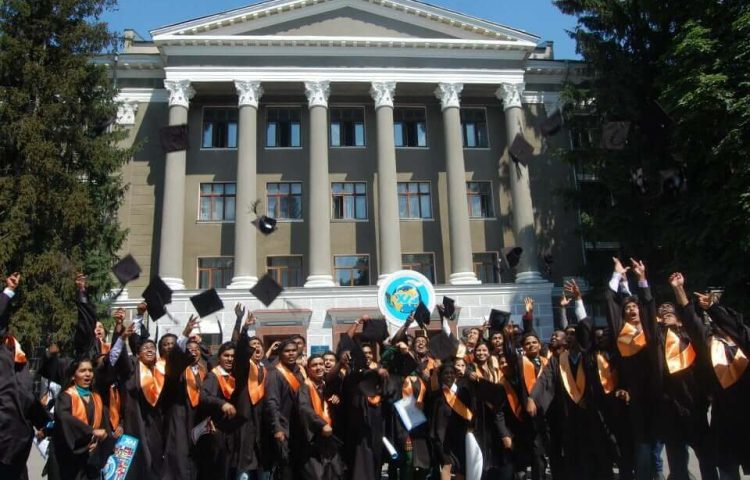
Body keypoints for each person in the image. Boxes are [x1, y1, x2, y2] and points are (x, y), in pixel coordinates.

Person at [671, 274, 750, 479]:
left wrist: (714, 308)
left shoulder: (745, 341)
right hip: (725, 416)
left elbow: (736, 326)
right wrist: (680, 290)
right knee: (727, 469)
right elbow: (692, 323)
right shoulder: (710, 345)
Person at [604, 258, 661, 480]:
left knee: (663, 439)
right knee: (644, 441)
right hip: (637, 394)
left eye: (633, 307)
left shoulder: (650, 328)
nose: (630, 310)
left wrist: (641, 278)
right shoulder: (622, 333)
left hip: (659, 389)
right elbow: (610, 301)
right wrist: (617, 276)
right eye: (627, 308)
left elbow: (648, 303)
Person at [0, 272, 51, 480]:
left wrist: (42, 423)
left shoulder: (13, 352)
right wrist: (8, 292)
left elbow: (25, 393)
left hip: (15, 432)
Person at [47, 358, 114, 480]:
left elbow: (103, 427)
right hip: (67, 456)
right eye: (82, 371)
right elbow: (64, 418)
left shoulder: (96, 398)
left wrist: (98, 441)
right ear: (73, 376)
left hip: (90, 457)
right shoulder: (66, 397)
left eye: (90, 370)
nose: (87, 374)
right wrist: (91, 431)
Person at [297, 354, 346, 479]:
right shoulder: (304, 387)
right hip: (314, 439)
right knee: (317, 475)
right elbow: (304, 409)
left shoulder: (327, 386)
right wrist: (322, 424)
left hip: (330, 438)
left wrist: (337, 398)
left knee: (336, 473)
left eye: (321, 364)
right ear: (308, 369)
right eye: (314, 365)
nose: (318, 367)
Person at [264, 338, 304, 480]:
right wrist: (277, 428)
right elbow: (272, 402)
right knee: (285, 468)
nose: (291, 354)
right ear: (280, 353)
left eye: (294, 350)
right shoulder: (275, 373)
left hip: (299, 427)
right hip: (284, 427)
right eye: (287, 351)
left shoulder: (299, 372)